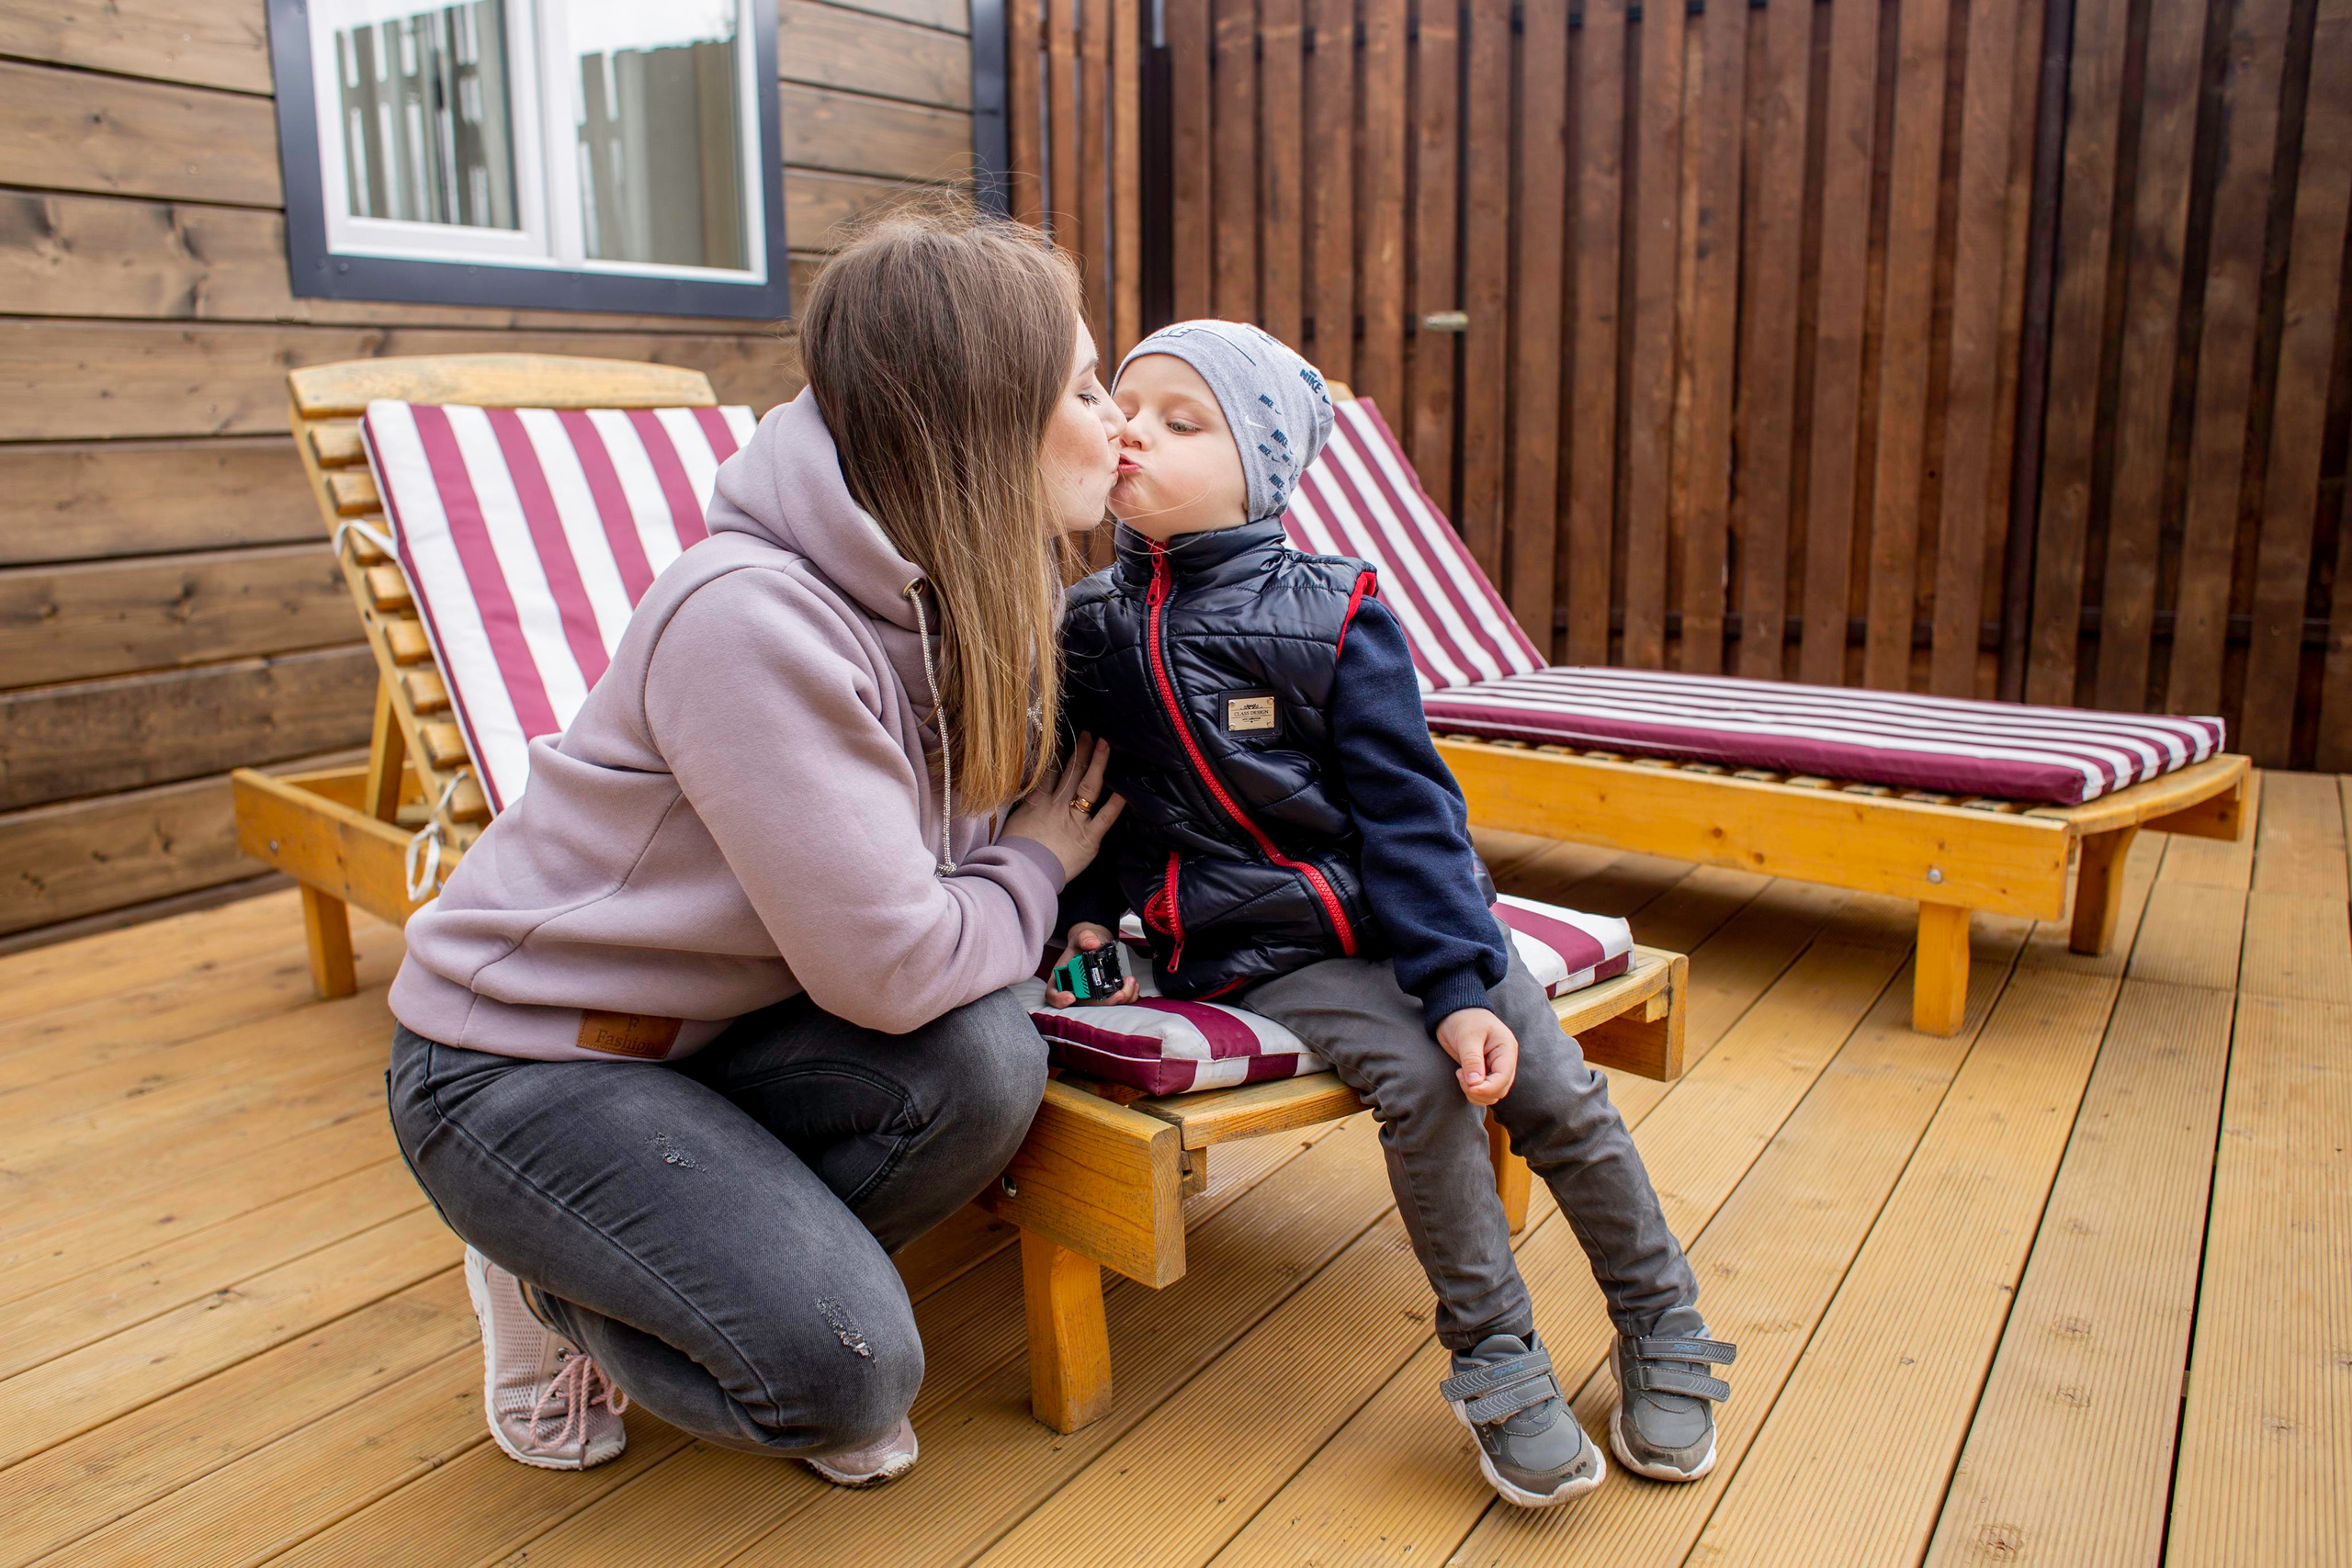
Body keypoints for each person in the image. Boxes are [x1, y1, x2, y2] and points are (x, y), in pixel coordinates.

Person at [383, 207, 1132, 1483]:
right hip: (520, 1063)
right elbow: (891, 967)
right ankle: (559, 1285)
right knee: (843, 1379)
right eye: (1083, 386)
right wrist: (1040, 868)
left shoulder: (986, 587)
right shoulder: (748, 621)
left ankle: (693, 1253)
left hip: (723, 1032)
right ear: (979, 417)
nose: (1116, 416)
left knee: (983, 1061)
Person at [1046, 321, 1736, 1508]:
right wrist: (1091, 918)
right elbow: (1096, 790)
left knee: (1555, 1090)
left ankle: (1660, 1317)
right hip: (1259, 945)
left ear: (1258, 469)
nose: (1131, 430)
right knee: (1421, 1090)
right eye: (1128, 404)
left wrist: (1463, 987)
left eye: (1180, 418)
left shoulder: (1334, 608)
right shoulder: (1089, 621)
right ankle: (1498, 1361)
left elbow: (1411, 811)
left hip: (1422, 918)